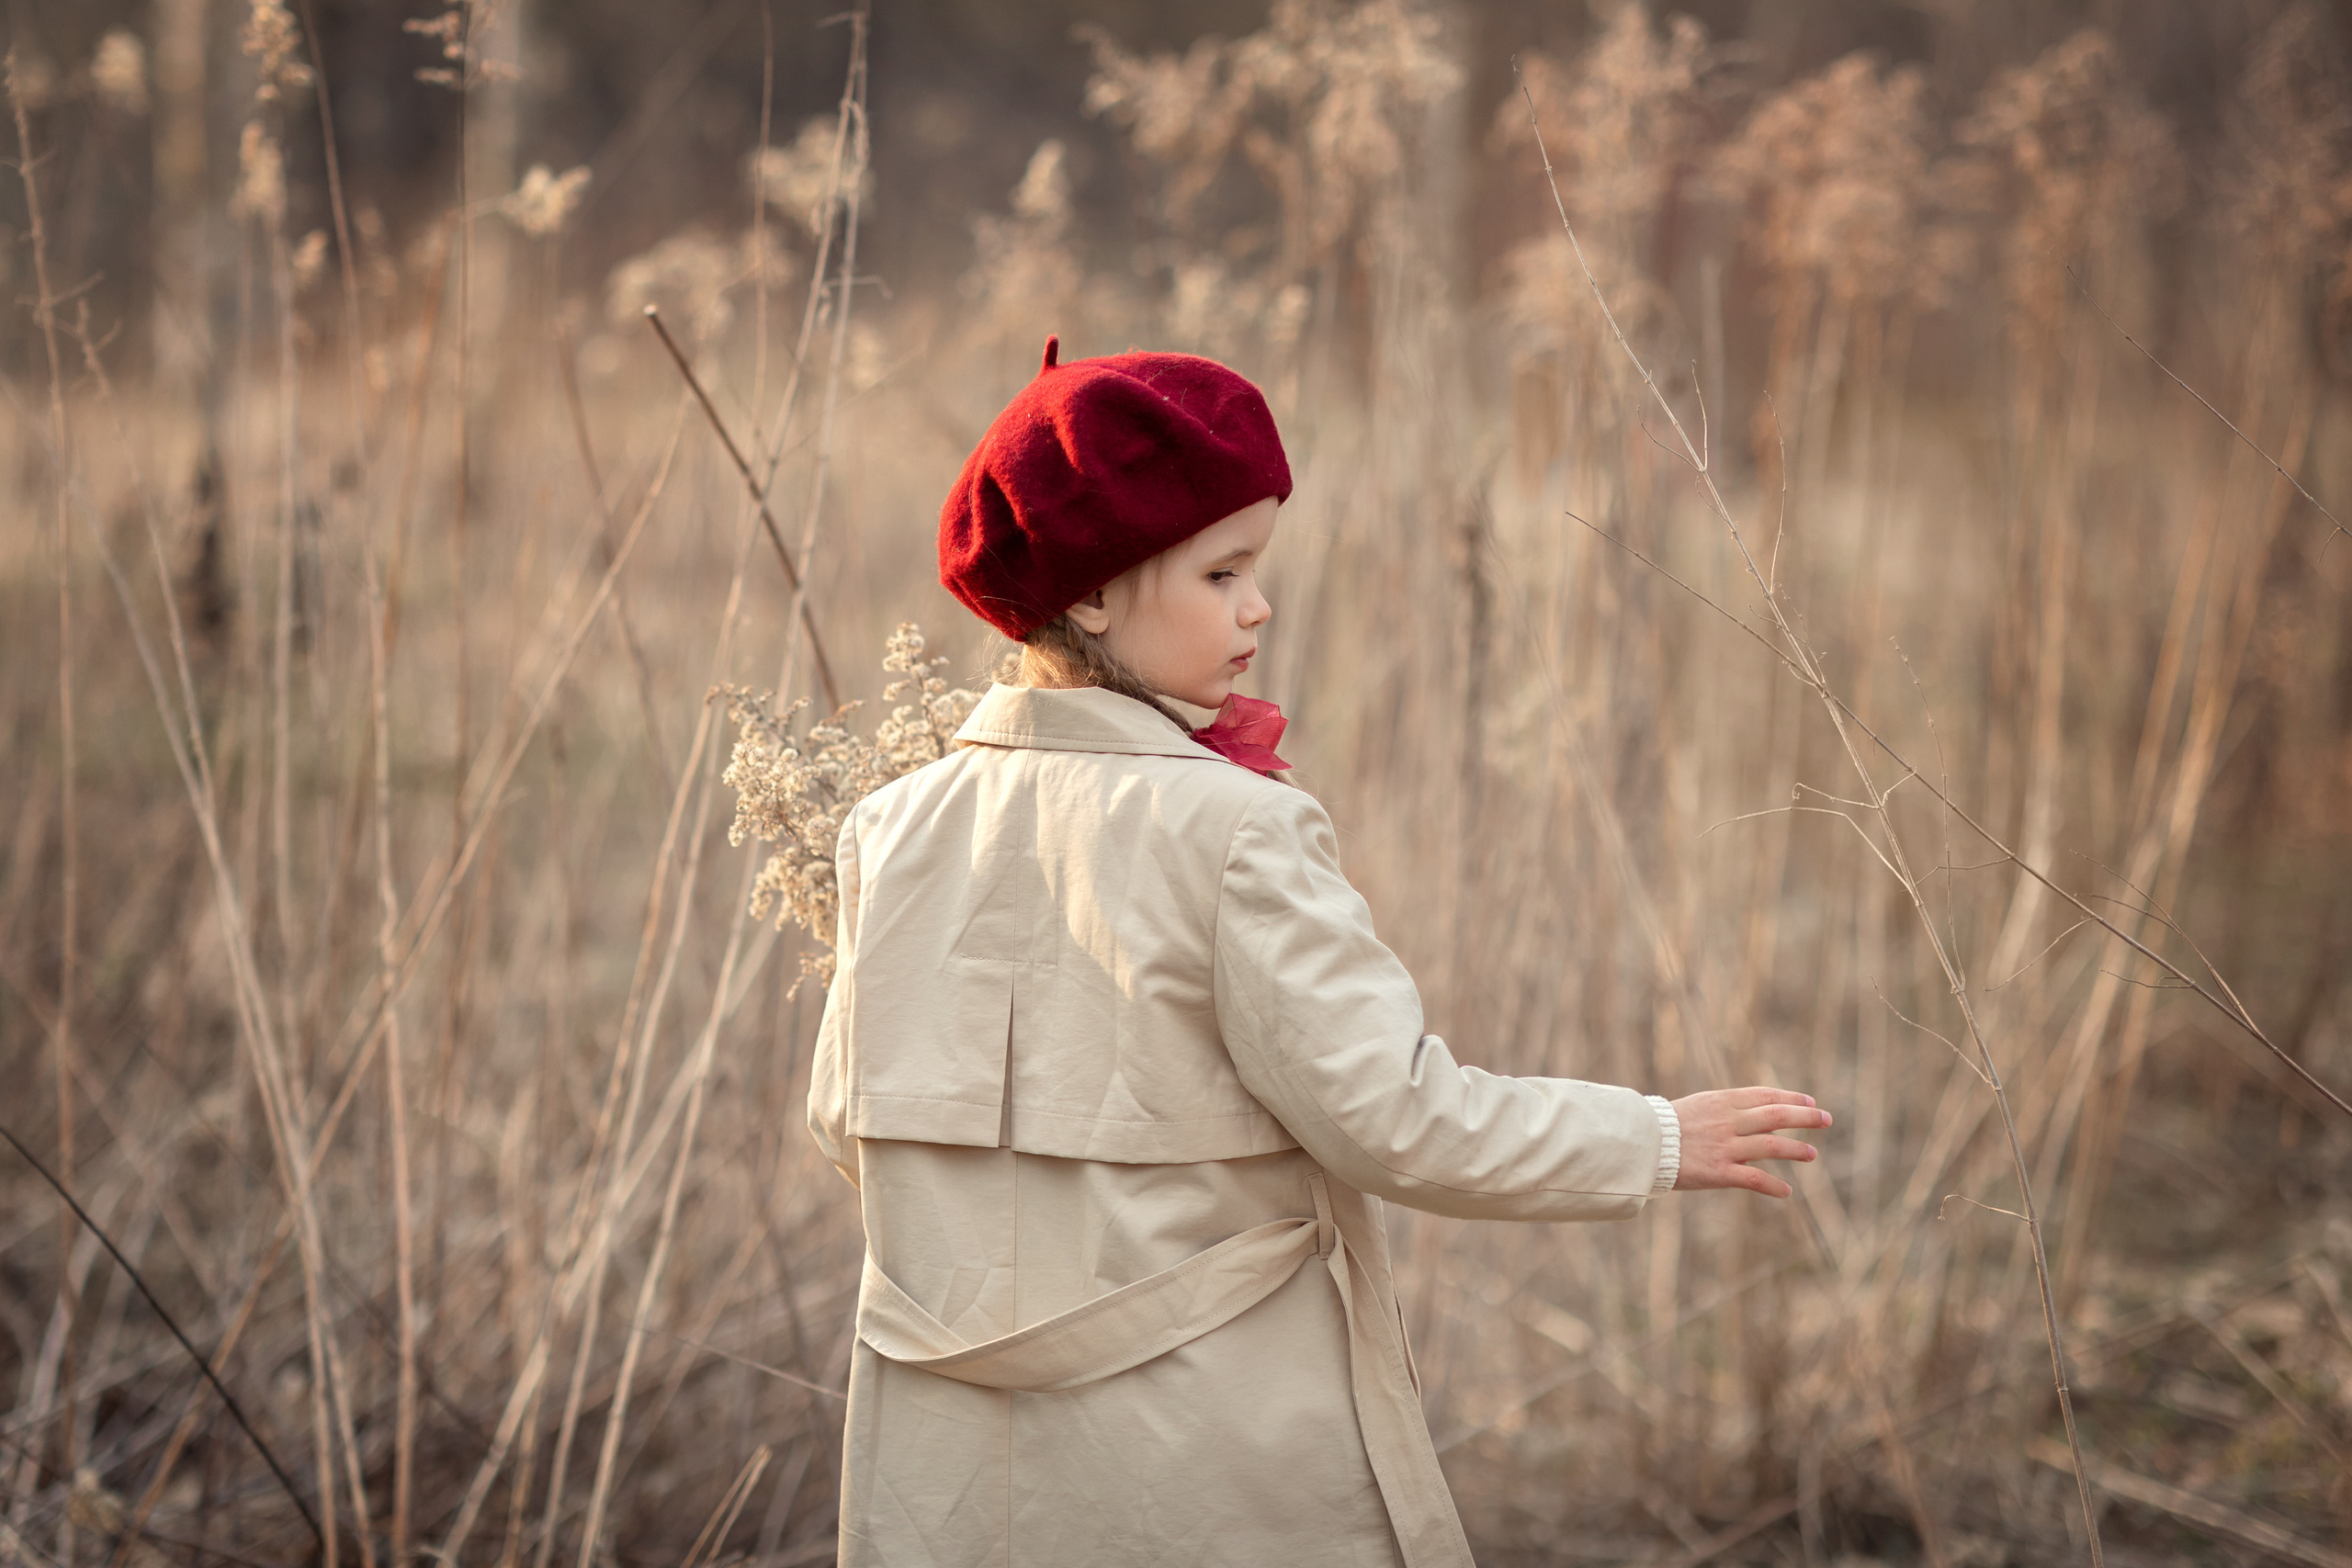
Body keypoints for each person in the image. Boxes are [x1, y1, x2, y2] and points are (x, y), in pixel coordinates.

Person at [808, 337, 1831, 1567]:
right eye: (1222, 570)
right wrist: (1655, 1138)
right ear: (1089, 593)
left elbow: (841, 1128)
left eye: (1259, 567)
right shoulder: (1237, 827)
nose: (1259, 605)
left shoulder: (889, 827)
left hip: (949, 1470)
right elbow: (1394, 1120)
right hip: (1199, 1465)